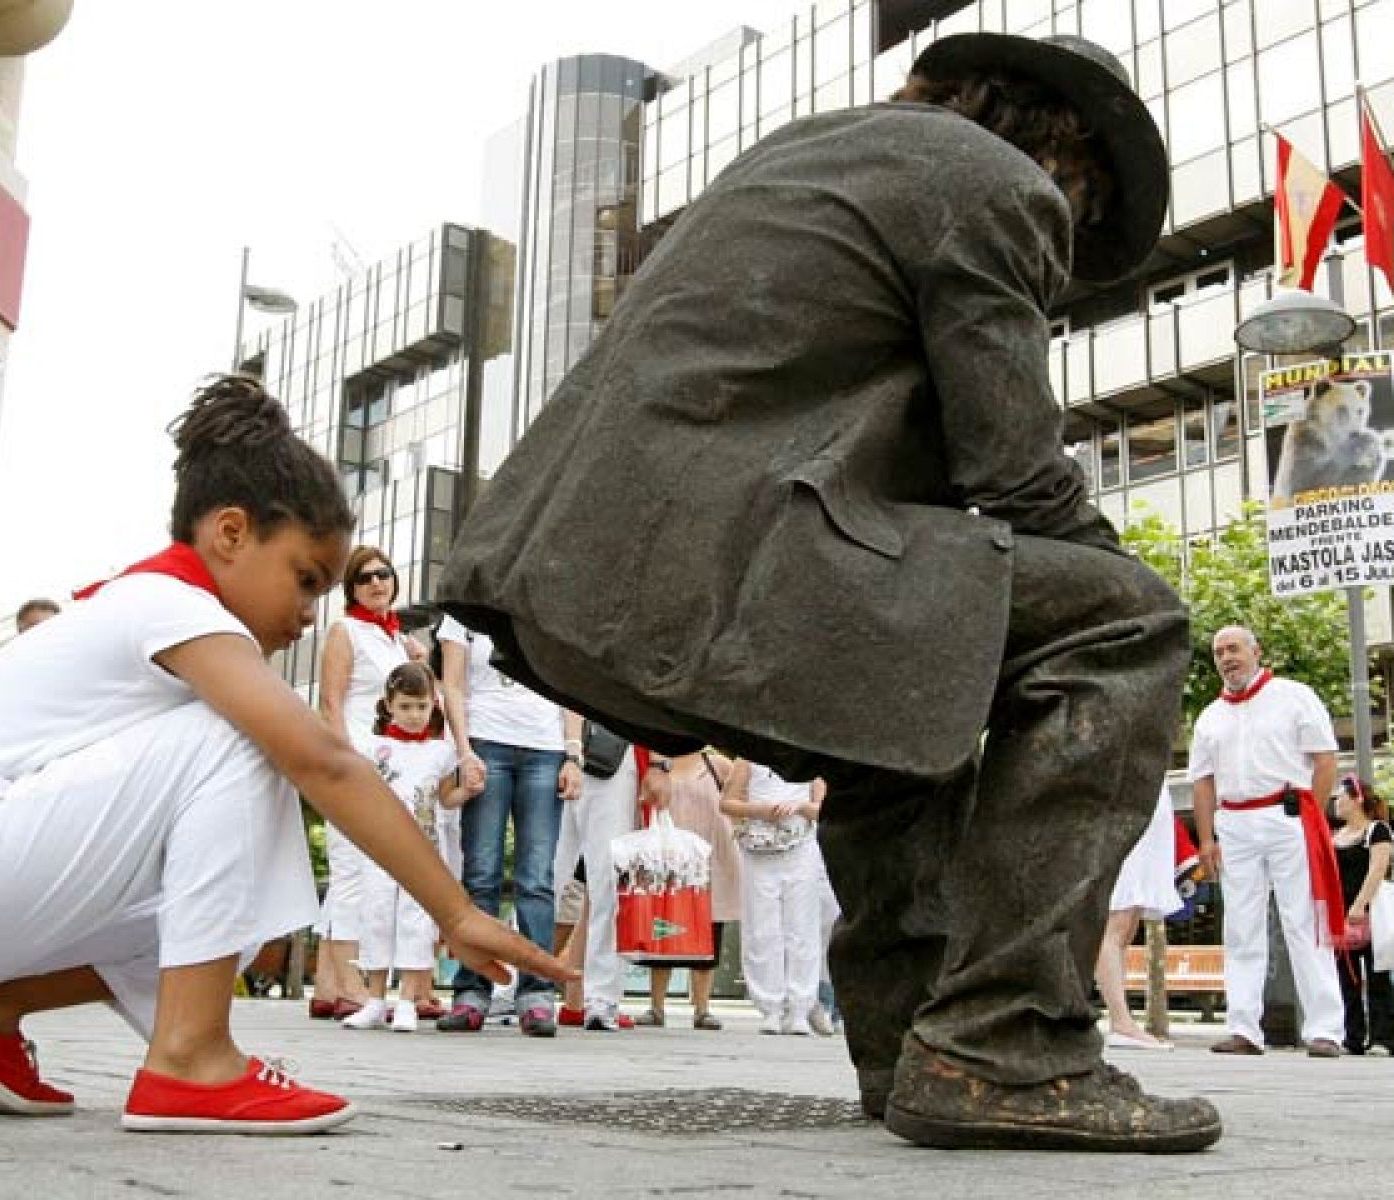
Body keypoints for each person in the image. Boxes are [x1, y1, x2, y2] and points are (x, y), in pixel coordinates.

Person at [437, 31, 1221, 1152]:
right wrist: (1110, 567)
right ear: (1064, 153)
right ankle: (1007, 1042)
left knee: (919, 655)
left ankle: (911, 1050)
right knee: (1128, 621)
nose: (1064, 232)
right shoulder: (990, 180)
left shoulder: (808, 150)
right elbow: (1006, 464)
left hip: (581, 574)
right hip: (714, 558)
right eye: (1081, 206)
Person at [0, 375, 567, 1135]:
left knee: (234, 915)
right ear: (230, 533)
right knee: (253, 735)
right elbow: (324, 761)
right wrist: (453, 912)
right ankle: (190, 1060)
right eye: (304, 578)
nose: (309, 611)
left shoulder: (157, 607)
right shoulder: (168, 605)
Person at [1189, 625, 1346, 1058]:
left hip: (1287, 814)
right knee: (1240, 926)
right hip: (1234, 822)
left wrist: (1311, 815)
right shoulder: (1210, 716)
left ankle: (1326, 1029)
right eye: (1219, 652)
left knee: (1304, 920)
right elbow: (1201, 782)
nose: (1227, 658)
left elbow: (1326, 759)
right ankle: (1243, 1027)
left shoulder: (1294, 696)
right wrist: (1206, 840)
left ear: (1256, 651)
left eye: (1234, 649)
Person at [436, 613, 581, 1037]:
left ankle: (536, 996)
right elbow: (453, 686)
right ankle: (471, 993)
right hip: (485, 743)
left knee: (536, 877)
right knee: (480, 873)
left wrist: (572, 753)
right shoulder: (460, 616)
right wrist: (463, 752)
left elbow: (568, 687)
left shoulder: (546, 606)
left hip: (545, 747)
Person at [311, 546, 418, 1021]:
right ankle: (351, 983)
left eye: (384, 575)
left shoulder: (397, 639)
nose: (377, 583)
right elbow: (330, 704)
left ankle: (327, 985)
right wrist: (341, 762)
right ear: (351, 589)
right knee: (352, 869)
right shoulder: (345, 631)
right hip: (354, 762)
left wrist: (419, 654)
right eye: (365, 578)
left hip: (386, 766)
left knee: (358, 870)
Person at [340, 662, 467, 1034]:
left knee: (416, 919)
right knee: (377, 914)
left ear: (433, 707)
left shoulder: (441, 753)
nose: (414, 715)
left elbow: (445, 799)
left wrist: (467, 790)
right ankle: (375, 998)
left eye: (422, 707)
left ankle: (409, 998)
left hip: (423, 848)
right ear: (389, 705)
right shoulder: (372, 747)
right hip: (380, 847)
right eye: (406, 706)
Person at [634, 749, 741, 1031]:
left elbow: (741, 798)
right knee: (661, 933)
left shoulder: (717, 764)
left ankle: (702, 1008)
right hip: (667, 859)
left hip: (710, 860)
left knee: (708, 935)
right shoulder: (658, 765)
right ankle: (656, 1006)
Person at [720, 760, 827, 1036]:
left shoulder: (807, 754)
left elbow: (823, 808)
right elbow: (727, 802)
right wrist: (760, 810)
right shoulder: (747, 759)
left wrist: (802, 808)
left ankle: (800, 1007)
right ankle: (770, 1007)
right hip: (760, 849)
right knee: (761, 928)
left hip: (800, 846)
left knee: (802, 928)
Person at [551, 720, 642, 1030]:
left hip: (611, 754)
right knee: (541, 878)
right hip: (551, 748)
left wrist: (659, 764)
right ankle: (513, 987)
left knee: (608, 883)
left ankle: (601, 997)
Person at [1094, 786, 1184, 1051]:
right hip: (1125, 812)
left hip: (1148, 812)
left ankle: (1122, 1020)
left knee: (1128, 924)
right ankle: (1120, 1020)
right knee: (1117, 919)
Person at [1331, 774, 1394, 1056]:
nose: (1337, 802)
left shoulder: (1377, 831)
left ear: (1357, 799)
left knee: (1378, 974)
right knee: (1346, 977)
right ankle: (1353, 1036)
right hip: (1340, 914)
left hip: (1372, 912)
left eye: (1342, 797)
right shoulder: (1335, 837)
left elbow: (1378, 868)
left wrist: (1360, 905)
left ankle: (1383, 1038)